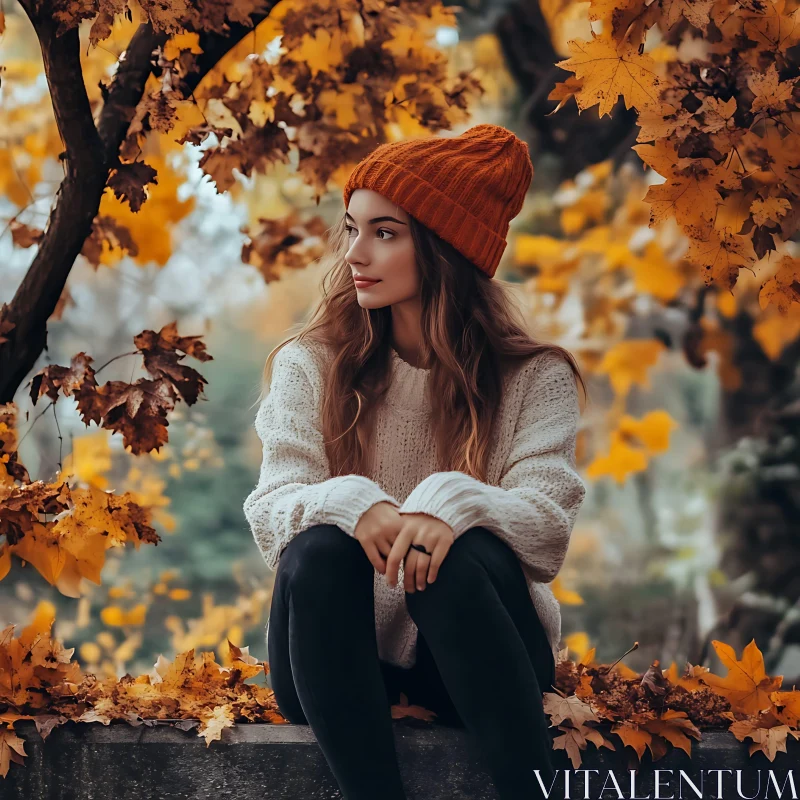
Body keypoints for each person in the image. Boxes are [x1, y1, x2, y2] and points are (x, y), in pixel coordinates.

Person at [243, 123, 588, 800]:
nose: (354, 254)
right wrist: (349, 501)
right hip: (334, 658)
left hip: (476, 654)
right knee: (315, 549)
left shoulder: (534, 376)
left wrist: (454, 503)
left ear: (444, 246)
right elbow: (271, 508)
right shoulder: (309, 362)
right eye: (351, 228)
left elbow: (546, 532)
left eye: (385, 232)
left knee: (461, 554)